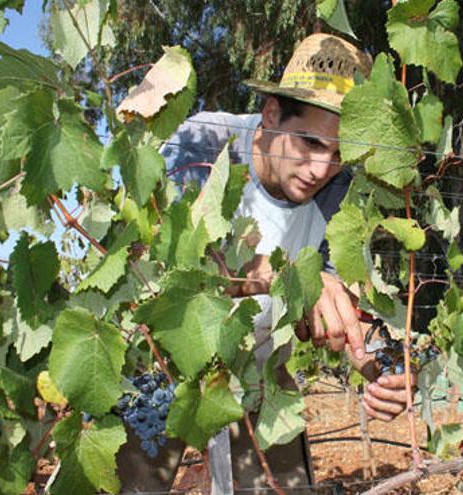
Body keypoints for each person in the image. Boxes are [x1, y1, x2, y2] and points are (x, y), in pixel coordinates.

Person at [162, 33, 411, 493]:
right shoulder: (201, 144)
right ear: (272, 114)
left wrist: (380, 369)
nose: (322, 169)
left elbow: (340, 301)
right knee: (137, 483)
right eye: (311, 143)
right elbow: (183, 270)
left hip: (260, 365)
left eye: (338, 154)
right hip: (164, 354)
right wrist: (296, 279)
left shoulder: (339, 193)